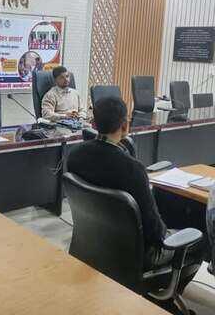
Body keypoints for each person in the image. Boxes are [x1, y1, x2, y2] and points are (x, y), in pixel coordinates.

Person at [68, 97, 203, 274]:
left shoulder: (74, 155)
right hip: (138, 255)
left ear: (93, 123)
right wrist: (169, 232)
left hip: (94, 242)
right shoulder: (133, 170)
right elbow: (156, 233)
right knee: (199, 237)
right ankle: (170, 290)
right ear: (125, 125)